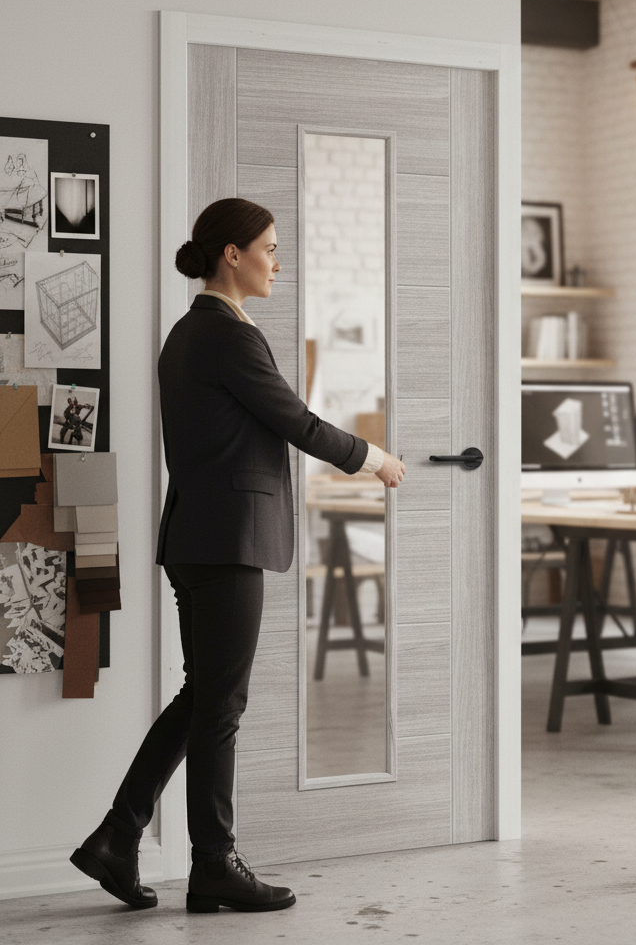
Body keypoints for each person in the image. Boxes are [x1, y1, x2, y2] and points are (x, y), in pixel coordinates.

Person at [70, 198, 406, 914]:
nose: (277, 263)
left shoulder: (192, 333)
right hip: (225, 542)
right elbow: (296, 420)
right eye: (269, 249)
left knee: (204, 698)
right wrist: (374, 457)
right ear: (232, 254)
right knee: (220, 705)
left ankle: (119, 837)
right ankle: (211, 864)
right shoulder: (225, 336)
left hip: (197, 536)